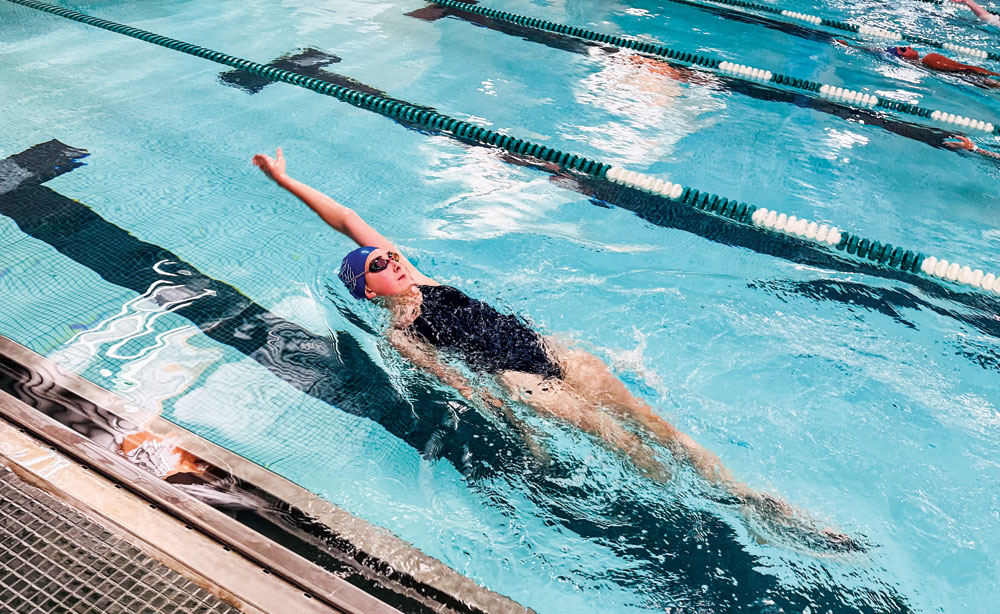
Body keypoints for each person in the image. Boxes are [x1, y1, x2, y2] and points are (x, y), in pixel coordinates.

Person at [252, 147, 853, 545]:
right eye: (379, 264)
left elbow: (348, 216)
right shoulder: (402, 333)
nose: (392, 259)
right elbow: (465, 387)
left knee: (657, 425)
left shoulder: (424, 278)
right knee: (625, 445)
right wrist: (523, 429)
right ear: (368, 289)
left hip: (558, 354)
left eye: (390, 254)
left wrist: (286, 181)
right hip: (526, 383)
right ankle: (710, 519)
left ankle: (749, 499)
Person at [837, 40, 1000, 88]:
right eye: (903, 49)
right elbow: (966, 69)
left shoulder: (921, 68)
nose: (908, 46)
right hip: (982, 80)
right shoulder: (930, 58)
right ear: (902, 58)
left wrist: (851, 46)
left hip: (979, 84)